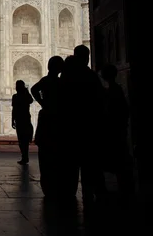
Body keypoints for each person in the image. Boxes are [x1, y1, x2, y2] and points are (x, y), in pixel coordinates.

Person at [60, 46, 106, 205]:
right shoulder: (90, 76)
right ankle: (92, 192)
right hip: (88, 126)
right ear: (86, 57)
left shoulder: (67, 76)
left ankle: (69, 193)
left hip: (71, 125)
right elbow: (100, 100)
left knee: (71, 163)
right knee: (90, 163)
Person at [31, 56, 64, 197]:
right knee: (56, 154)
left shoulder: (45, 80)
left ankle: (47, 185)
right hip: (57, 118)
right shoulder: (60, 82)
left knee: (44, 155)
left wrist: (42, 102)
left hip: (46, 115)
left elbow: (33, 89)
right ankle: (55, 184)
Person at [100, 63, 133, 198]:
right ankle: (124, 187)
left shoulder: (113, 90)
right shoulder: (115, 89)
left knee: (118, 158)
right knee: (119, 157)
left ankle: (124, 187)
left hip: (114, 128)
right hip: (117, 128)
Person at [12, 80, 34, 165]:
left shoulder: (24, 96)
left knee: (24, 140)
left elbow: (31, 100)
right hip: (21, 120)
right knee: (21, 140)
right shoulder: (15, 96)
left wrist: (26, 91)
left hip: (24, 119)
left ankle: (25, 157)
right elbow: (13, 109)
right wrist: (12, 120)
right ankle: (24, 156)